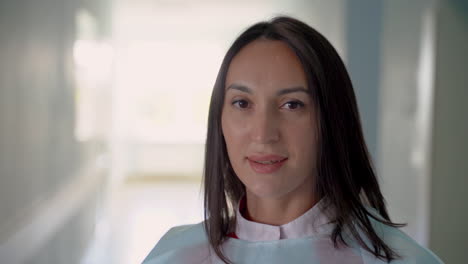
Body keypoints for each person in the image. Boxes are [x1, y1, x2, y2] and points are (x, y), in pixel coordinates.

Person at [142, 16, 443, 264]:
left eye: (292, 104)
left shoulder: (402, 260)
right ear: (219, 119)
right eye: (242, 103)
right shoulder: (174, 254)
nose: (263, 134)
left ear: (332, 121)